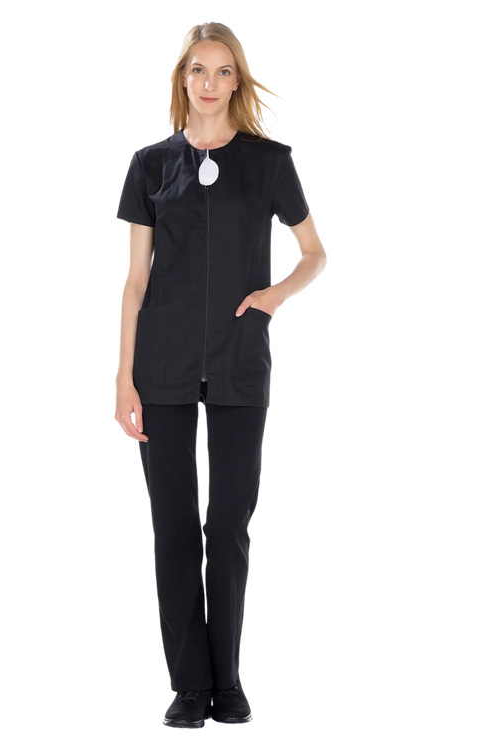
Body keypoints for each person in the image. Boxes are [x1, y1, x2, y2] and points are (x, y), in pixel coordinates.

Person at [112, 19, 329, 731]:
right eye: (197, 70)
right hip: (161, 370)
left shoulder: (270, 162)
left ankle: (229, 683)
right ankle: (188, 689)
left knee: (230, 526)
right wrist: (121, 378)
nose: (210, 84)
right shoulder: (150, 165)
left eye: (223, 70)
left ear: (239, 80)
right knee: (174, 529)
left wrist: (275, 295)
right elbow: (133, 283)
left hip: (239, 366)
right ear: (181, 78)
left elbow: (315, 253)